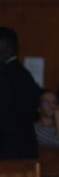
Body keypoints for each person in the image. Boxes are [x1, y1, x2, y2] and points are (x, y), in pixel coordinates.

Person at [0, 26, 41, 159]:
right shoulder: (24, 74)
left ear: (7, 48)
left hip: (7, 150)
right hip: (26, 148)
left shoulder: (5, 75)